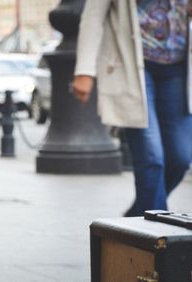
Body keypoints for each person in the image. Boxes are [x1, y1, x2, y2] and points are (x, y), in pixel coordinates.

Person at [72, 0, 192, 216]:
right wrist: (84, 70)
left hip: (178, 68)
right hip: (132, 67)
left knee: (180, 157)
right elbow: (93, 16)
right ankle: (157, 236)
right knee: (151, 158)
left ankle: (137, 216)